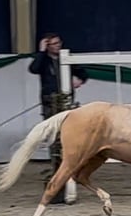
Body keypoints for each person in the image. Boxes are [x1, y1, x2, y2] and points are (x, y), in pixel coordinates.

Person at [28, 32, 89, 204]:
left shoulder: (66, 57)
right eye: (52, 44)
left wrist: (79, 81)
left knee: (68, 137)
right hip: (49, 103)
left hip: (66, 102)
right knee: (53, 139)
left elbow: (83, 72)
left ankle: (68, 172)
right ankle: (57, 172)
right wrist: (41, 52)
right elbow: (33, 69)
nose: (56, 46)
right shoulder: (44, 61)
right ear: (47, 45)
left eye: (57, 43)